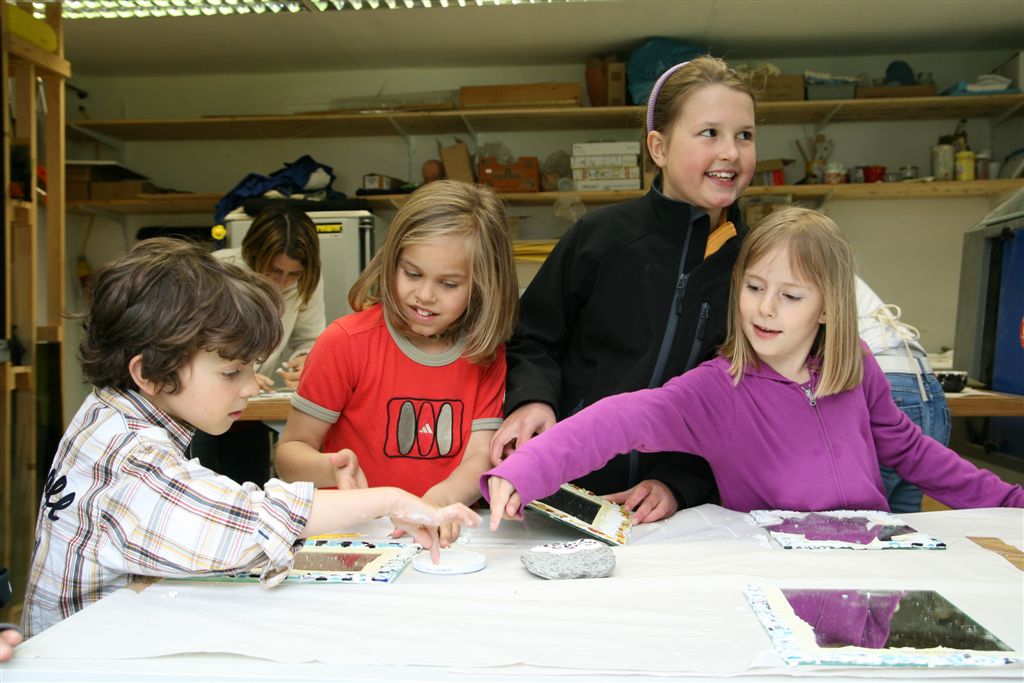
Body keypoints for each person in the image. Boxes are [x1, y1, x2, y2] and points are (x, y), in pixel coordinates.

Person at [23, 238, 479, 638]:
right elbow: (247, 522)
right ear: (149, 373)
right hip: (82, 659)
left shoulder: (108, 414)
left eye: (251, 368)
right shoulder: (131, 457)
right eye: (231, 372)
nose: (249, 387)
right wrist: (391, 498)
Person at [483, 207, 1023, 525]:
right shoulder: (719, 387)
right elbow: (620, 419)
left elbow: (912, 452)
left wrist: (1008, 503)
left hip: (866, 565)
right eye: (754, 287)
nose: (765, 309)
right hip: (772, 572)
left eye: (790, 296)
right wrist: (526, 470)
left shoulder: (855, 366)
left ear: (829, 307)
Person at [488, 55, 757, 523]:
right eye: (710, 133)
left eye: (745, 135)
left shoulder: (756, 264)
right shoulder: (599, 237)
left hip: (677, 511)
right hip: (567, 488)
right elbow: (531, 336)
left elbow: (750, 398)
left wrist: (679, 483)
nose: (731, 152)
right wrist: (533, 399)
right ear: (659, 147)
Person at [275, 180, 519, 546]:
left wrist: (437, 501)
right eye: (412, 274)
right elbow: (289, 455)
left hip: (445, 538)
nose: (425, 295)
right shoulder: (345, 343)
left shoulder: (485, 355)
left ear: (484, 285)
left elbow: (480, 456)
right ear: (391, 262)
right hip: (354, 538)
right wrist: (329, 467)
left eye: (449, 284)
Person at [191, 204, 327, 484]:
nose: (283, 282)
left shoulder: (307, 282)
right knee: (199, 487)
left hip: (248, 412)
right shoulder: (218, 271)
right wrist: (241, 372)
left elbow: (310, 339)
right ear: (254, 255)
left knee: (250, 489)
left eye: (293, 274)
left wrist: (306, 360)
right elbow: (193, 343)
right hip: (198, 409)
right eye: (275, 271)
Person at [857, 277, 951, 513]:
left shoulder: (803, 265)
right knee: (904, 521)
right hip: (928, 386)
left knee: (864, 521)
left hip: (886, 377)